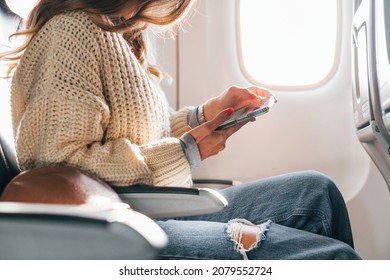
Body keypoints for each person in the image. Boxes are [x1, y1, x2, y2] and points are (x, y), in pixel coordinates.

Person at [0, 0, 361, 260]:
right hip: (123, 223)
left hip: (147, 205)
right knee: (329, 257)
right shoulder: (71, 32)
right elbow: (58, 162)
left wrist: (205, 115)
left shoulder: (116, 32)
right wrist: (188, 150)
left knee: (317, 194)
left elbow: (138, 133)